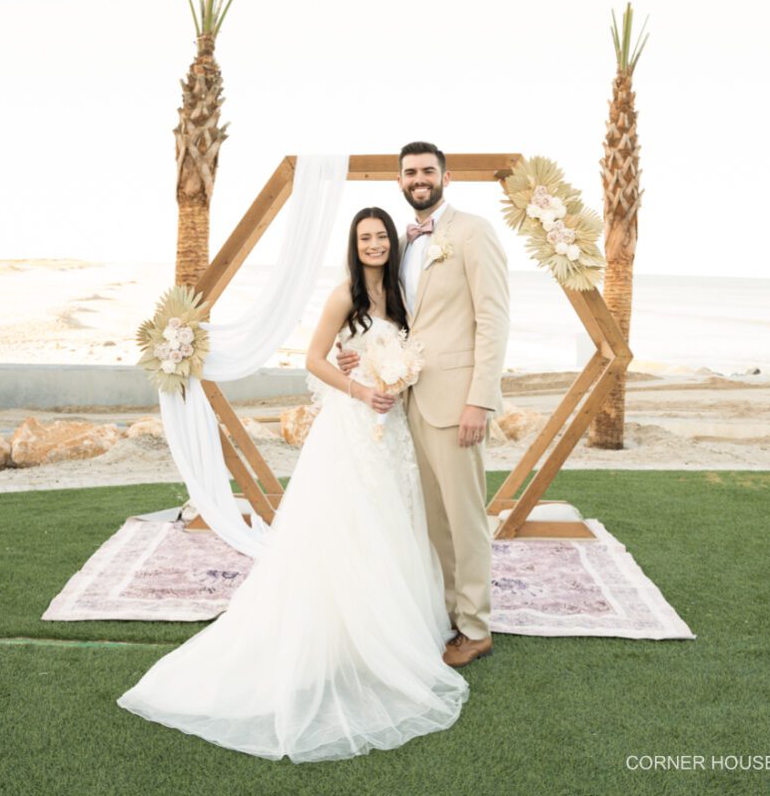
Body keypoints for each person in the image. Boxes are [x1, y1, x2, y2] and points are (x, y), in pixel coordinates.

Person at [116, 206, 468, 763]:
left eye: (381, 237)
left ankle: (388, 629)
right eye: (365, 238)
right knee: (344, 524)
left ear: (391, 245)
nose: (374, 244)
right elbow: (313, 359)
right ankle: (338, 635)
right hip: (351, 425)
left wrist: (397, 380)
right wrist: (359, 389)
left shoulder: (401, 297)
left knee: (392, 520)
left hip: (391, 428)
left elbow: (408, 354)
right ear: (354, 246)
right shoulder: (342, 295)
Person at [339, 141, 511, 668]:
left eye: (427, 171)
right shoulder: (404, 243)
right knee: (434, 521)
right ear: (399, 181)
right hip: (409, 400)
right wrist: (358, 357)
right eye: (410, 172)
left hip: (456, 400)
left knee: (464, 519)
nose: (419, 179)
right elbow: (397, 324)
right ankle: (450, 616)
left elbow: (493, 319)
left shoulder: (472, 232)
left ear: (446, 176)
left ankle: (477, 628)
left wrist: (479, 400)